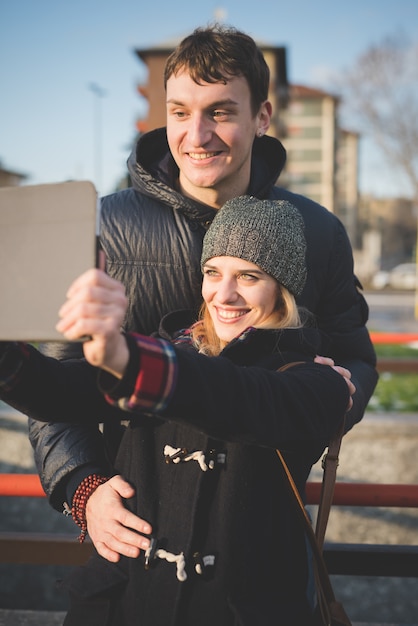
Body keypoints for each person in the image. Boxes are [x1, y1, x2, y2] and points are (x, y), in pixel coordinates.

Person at [24, 23, 377, 565]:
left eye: (220, 112)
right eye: (180, 112)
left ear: (262, 117)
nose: (197, 135)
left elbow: (354, 356)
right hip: (137, 538)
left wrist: (328, 409)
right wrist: (84, 488)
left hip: (257, 540)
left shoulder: (318, 230)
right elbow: (58, 381)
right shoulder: (105, 226)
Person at [0, 196, 353, 625]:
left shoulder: (319, 381)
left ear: (282, 288)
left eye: (248, 276)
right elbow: (57, 391)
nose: (224, 294)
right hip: (124, 606)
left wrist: (124, 357)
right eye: (212, 272)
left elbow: (233, 396)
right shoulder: (164, 349)